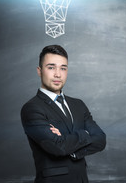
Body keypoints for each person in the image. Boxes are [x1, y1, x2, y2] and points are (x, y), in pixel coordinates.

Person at [21, 45, 106, 183]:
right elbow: (57, 147)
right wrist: (86, 133)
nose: (58, 74)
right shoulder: (31, 108)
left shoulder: (78, 104)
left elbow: (101, 140)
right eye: (51, 67)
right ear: (39, 71)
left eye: (63, 68)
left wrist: (72, 149)